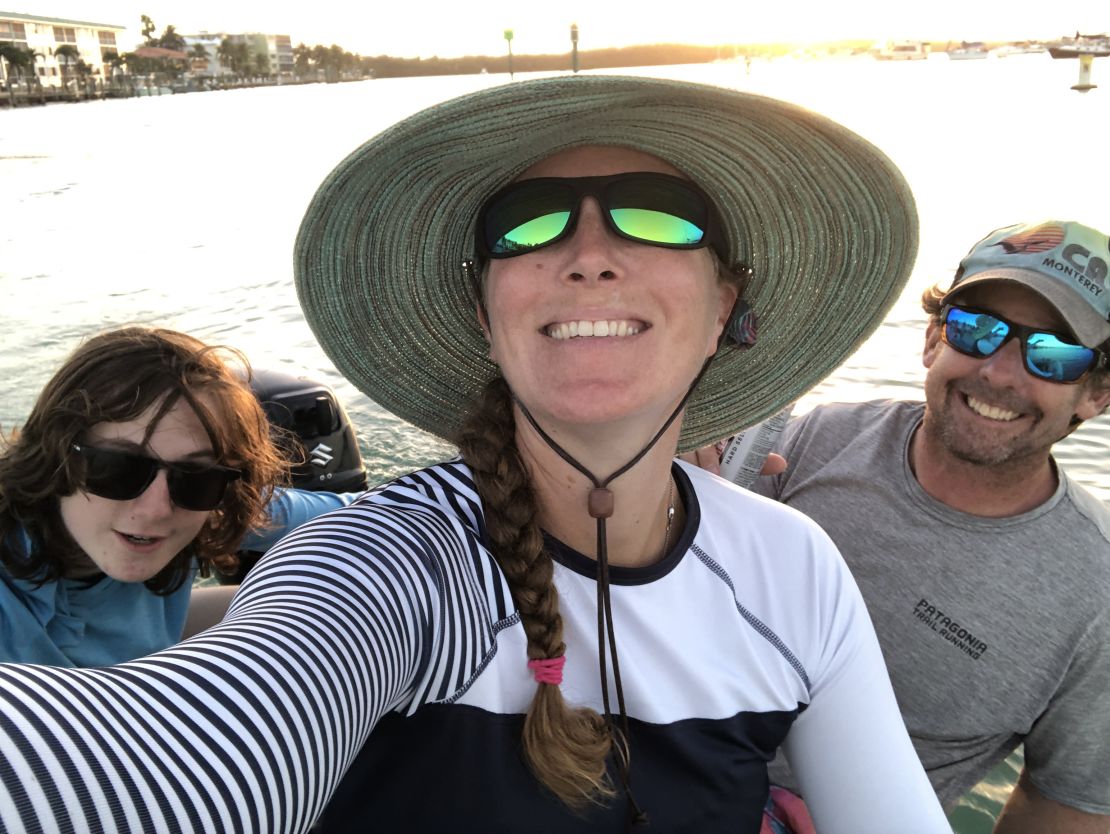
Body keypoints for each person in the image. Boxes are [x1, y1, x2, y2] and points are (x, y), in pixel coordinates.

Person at [0, 76, 951, 833]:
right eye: (527, 223)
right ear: (487, 318)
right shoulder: (383, 561)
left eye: (661, 214)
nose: (588, 253)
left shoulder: (793, 570)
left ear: (724, 309)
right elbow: (197, 756)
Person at [743, 220, 1110, 833]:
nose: (999, 373)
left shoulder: (1095, 594)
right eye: (977, 329)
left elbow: (1063, 805)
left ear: (1097, 393)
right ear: (934, 340)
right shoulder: (814, 438)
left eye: (1053, 355)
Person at [0, 326, 353, 666]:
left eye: (197, 477)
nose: (157, 509)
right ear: (55, 454)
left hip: (139, 650)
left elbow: (360, 517)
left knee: (315, 607)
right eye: (118, 469)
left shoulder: (213, 507)